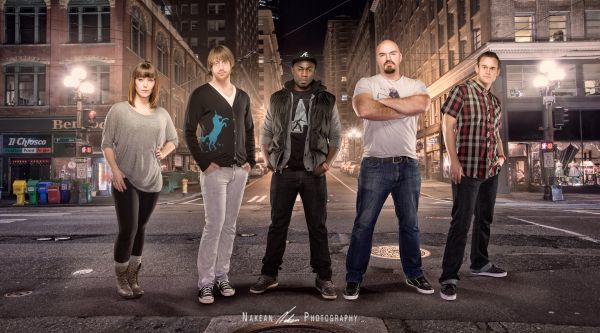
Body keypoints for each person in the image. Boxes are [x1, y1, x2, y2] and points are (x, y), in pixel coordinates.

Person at [344, 40, 432, 301]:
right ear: (377, 58)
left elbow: (422, 105)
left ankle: (414, 273)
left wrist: (384, 104)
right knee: (363, 224)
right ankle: (353, 278)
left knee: (410, 225)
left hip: (408, 164)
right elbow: (364, 109)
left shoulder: (415, 85)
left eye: (392, 53)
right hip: (375, 164)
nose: (388, 58)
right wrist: (404, 108)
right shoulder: (366, 83)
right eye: (382, 54)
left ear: (400, 56)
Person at [250, 51, 341, 300]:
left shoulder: (326, 99)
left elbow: (336, 136)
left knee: (318, 227)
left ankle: (324, 277)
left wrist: (327, 164)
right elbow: (266, 131)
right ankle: (269, 275)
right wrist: (268, 159)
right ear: (293, 70)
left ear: (314, 71)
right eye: (299, 68)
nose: (304, 73)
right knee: (278, 225)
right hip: (284, 172)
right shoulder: (278, 98)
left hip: (313, 173)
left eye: (309, 69)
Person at [184, 45, 255, 305]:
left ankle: (222, 276)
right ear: (211, 67)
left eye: (225, 61)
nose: (221, 67)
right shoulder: (201, 94)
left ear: (231, 64)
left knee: (230, 226)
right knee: (213, 225)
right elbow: (189, 131)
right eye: (216, 63)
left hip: (239, 171)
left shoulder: (243, 96)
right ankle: (205, 282)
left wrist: (250, 160)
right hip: (214, 171)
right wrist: (204, 163)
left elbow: (249, 129)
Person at [101, 61, 178, 299]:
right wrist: (115, 170)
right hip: (126, 179)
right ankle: (121, 278)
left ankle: (134, 276)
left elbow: (173, 140)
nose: (145, 84)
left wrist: (163, 153)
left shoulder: (162, 114)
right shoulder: (118, 110)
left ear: (155, 84)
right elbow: (106, 144)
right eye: (141, 79)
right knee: (128, 229)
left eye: (150, 79)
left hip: (152, 180)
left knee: (141, 229)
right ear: (133, 81)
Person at [439, 51, 507, 301]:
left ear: (497, 72)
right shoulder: (462, 91)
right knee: (461, 222)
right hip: (466, 168)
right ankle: (449, 277)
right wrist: (453, 160)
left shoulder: (496, 102)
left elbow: (495, 133)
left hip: (490, 169)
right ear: (476, 69)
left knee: (485, 219)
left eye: (493, 68)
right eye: (484, 67)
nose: (488, 71)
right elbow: (447, 125)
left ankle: (480, 263)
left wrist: (501, 156)